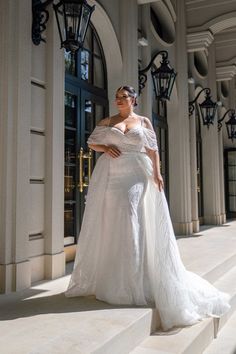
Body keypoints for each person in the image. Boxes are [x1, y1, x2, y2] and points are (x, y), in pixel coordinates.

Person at [65, 85, 230, 331]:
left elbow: (153, 151)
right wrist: (105, 148)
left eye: (124, 97)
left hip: (136, 173)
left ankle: (136, 281)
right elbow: (91, 142)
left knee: (130, 215)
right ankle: (114, 280)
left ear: (134, 99)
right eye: (117, 97)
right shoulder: (107, 120)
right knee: (114, 221)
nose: (119, 100)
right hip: (113, 175)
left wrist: (158, 174)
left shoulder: (143, 121)